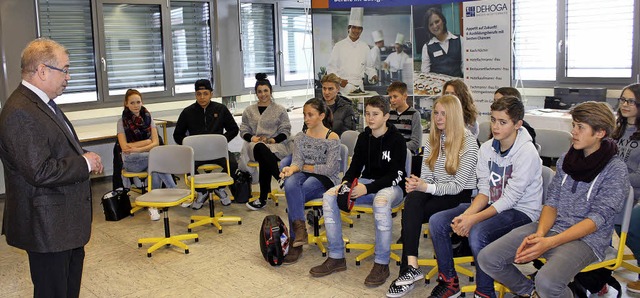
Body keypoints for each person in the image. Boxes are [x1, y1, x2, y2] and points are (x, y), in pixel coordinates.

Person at [478, 101, 629, 298]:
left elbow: (596, 220)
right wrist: (541, 234)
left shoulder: (615, 169)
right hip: (552, 228)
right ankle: (532, 293)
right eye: (574, 125)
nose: (573, 131)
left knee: (548, 282)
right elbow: (552, 202)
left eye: (580, 127)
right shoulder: (567, 159)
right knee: (488, 258)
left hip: (587, 241)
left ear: (600, 132)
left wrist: (549, 242)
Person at [0, 38, 103, 298]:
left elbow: (57, 149)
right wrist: (84, 163)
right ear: (43, 70)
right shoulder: (21, 111)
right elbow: (39, 171)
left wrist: (82, 156)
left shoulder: (42, 103)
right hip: (47, 228)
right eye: (65, 69)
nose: (69, 76)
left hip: (62, 226)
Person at [428, 96, 542, 298]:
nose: (496, 126)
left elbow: (510, 199)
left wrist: (473, 219)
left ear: (518, 124)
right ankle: (449, 281)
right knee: (437, 221)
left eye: (502, 122)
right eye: (493, 120)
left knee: (478, 232)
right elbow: (484, 190)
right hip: (492, 204)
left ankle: (485, 292)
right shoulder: (487, 148)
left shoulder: (527, 152)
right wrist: (468, 215)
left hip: (521, 211)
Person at [309, 96, 407, 287]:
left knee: (380, 202)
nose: (370, 118)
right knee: (329, 197)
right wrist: (346, 185)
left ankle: (381, 263)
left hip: (391, 187)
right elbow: (354, 168)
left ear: (386, 116)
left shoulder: (397, 140)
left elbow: (396, 175)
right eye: (367, 114)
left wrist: (366, 189)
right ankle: (336, 256)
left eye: (375, 114)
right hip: (365, 183)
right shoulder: (363, 137)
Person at [386, 95, 478, 297]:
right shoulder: (434, 139)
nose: (438, 118)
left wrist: (425, 187)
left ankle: (407, 270)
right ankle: (411, 265)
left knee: (414, 205)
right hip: (436, 192)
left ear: (454, 115)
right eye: (436, 113)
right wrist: (417, 185)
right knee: (413, 200)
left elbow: (457, 187)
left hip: (459, 197)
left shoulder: (469, 144)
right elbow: (427, 176)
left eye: (443, 114)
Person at [279, 98, 341, 264]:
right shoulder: (300, 137)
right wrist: (290, 169)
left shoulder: (332, 137)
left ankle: (295, 242)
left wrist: (306, 167)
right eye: (305, 115)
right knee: (290, 182)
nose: (306, 118)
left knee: (296, 193)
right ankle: (300, 232)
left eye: (310, 115)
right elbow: (297, 161)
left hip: (325, 179)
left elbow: (330, 169)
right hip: (305, 173)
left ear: (321, 116)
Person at [173, 79, 239, 209]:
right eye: (199, 94)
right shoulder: (187, 112)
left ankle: (219, 189)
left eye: (205, 93)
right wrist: (188, 146)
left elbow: (234, 129)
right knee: (186, 165)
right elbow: (177, 135)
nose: (202, 97)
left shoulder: (221, 109)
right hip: (196, 153)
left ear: (211, 94)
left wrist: (222, 142)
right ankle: (202, 191)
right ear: (195, 95)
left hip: (218, 152)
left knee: (232, 163)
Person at [117, 89, 176, 221]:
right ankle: (174, 190)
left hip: (148, 158)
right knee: (157, 159)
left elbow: (155, 143)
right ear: (126, 104)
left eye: (138, 102)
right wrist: (146, 143)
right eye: (132, 103)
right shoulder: (122, 122)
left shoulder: (148, 118)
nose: (136, 105)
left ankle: (152, 206)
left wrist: (137, 147)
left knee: (154, 168)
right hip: (131, 161)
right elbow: (124, 147)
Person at [241, 73, 292, 210]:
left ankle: (262, 199)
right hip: (255, 146)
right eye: (259, 92)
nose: (263, 94)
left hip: (276, 145)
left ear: (270, 91)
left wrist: (272, 140)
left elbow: (286, 130)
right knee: (260, 148)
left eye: (266, 91)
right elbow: (244, 129)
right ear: (256, 93)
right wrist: (252, 138)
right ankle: (281, 178)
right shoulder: (249, 110)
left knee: (265, 157)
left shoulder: (279, 110)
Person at [611, 83, 640, 293]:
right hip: (617, 190)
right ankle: (598, 273)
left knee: (631, 227)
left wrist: (615, 180)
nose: (625, 104)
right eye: (622, 100)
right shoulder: (616, 129)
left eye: (630, 101)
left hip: (635, 192)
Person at [326, 7, 377, 94]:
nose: (356, 31)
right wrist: (339, 80)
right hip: (343, 87)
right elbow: (331, 68)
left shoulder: (365, 47)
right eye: (354, 27)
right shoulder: (339, 46)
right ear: (349, 28)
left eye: (359, 28)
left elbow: (369, 67)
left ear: (362, 30)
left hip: (360, 88)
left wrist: (373, 76)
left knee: (359, 107)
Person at [386, 81, 422, 175]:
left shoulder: (415, 114)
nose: (392, 100)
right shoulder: (389, 114)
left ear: (405, 96)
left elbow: (416, 143)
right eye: (390, 97)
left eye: (395, 96)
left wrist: (397, 148)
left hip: (407, 157)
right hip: (389, 157)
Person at [420, 7, 464, 77]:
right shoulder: (427, 47)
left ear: (443, 20)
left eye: (437, 21)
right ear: (428, 28)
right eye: (431, 24)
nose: (435, 26)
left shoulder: (459, 40)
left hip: (457, 85)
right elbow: (425, 74)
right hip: (437, 86)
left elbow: (464, 66)